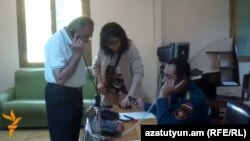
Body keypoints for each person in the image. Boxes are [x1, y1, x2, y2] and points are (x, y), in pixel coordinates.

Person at [44, 16, 94, 141]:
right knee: (62, 136)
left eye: (89, 37)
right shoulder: (56, 42)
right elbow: (60, 78)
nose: (87, 41)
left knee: (72, 135)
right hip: (61, 96)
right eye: (85, 37)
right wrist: (77, 54)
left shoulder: (74, 42)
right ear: (73, 32)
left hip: (74, 95)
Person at [136, 58, 211, 124]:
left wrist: (163, 95)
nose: (163, 80)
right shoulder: (179, 91)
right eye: (164, 75)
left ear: (183, 80)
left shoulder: (192, 103)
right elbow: (168, 111)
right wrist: (145, 106)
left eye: (168, 76)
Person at [92, 22, 145, 108]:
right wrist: (99, 82)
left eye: (115, 42)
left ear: (122, 39)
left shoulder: (131, 49)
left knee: (129, 120)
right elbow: (96, 66)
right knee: (111, 119)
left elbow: (139, 73)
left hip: (129, 94)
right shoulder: (103, 49)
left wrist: (130, 96)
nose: (112, 46)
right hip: (109, 96)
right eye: (109, 43)